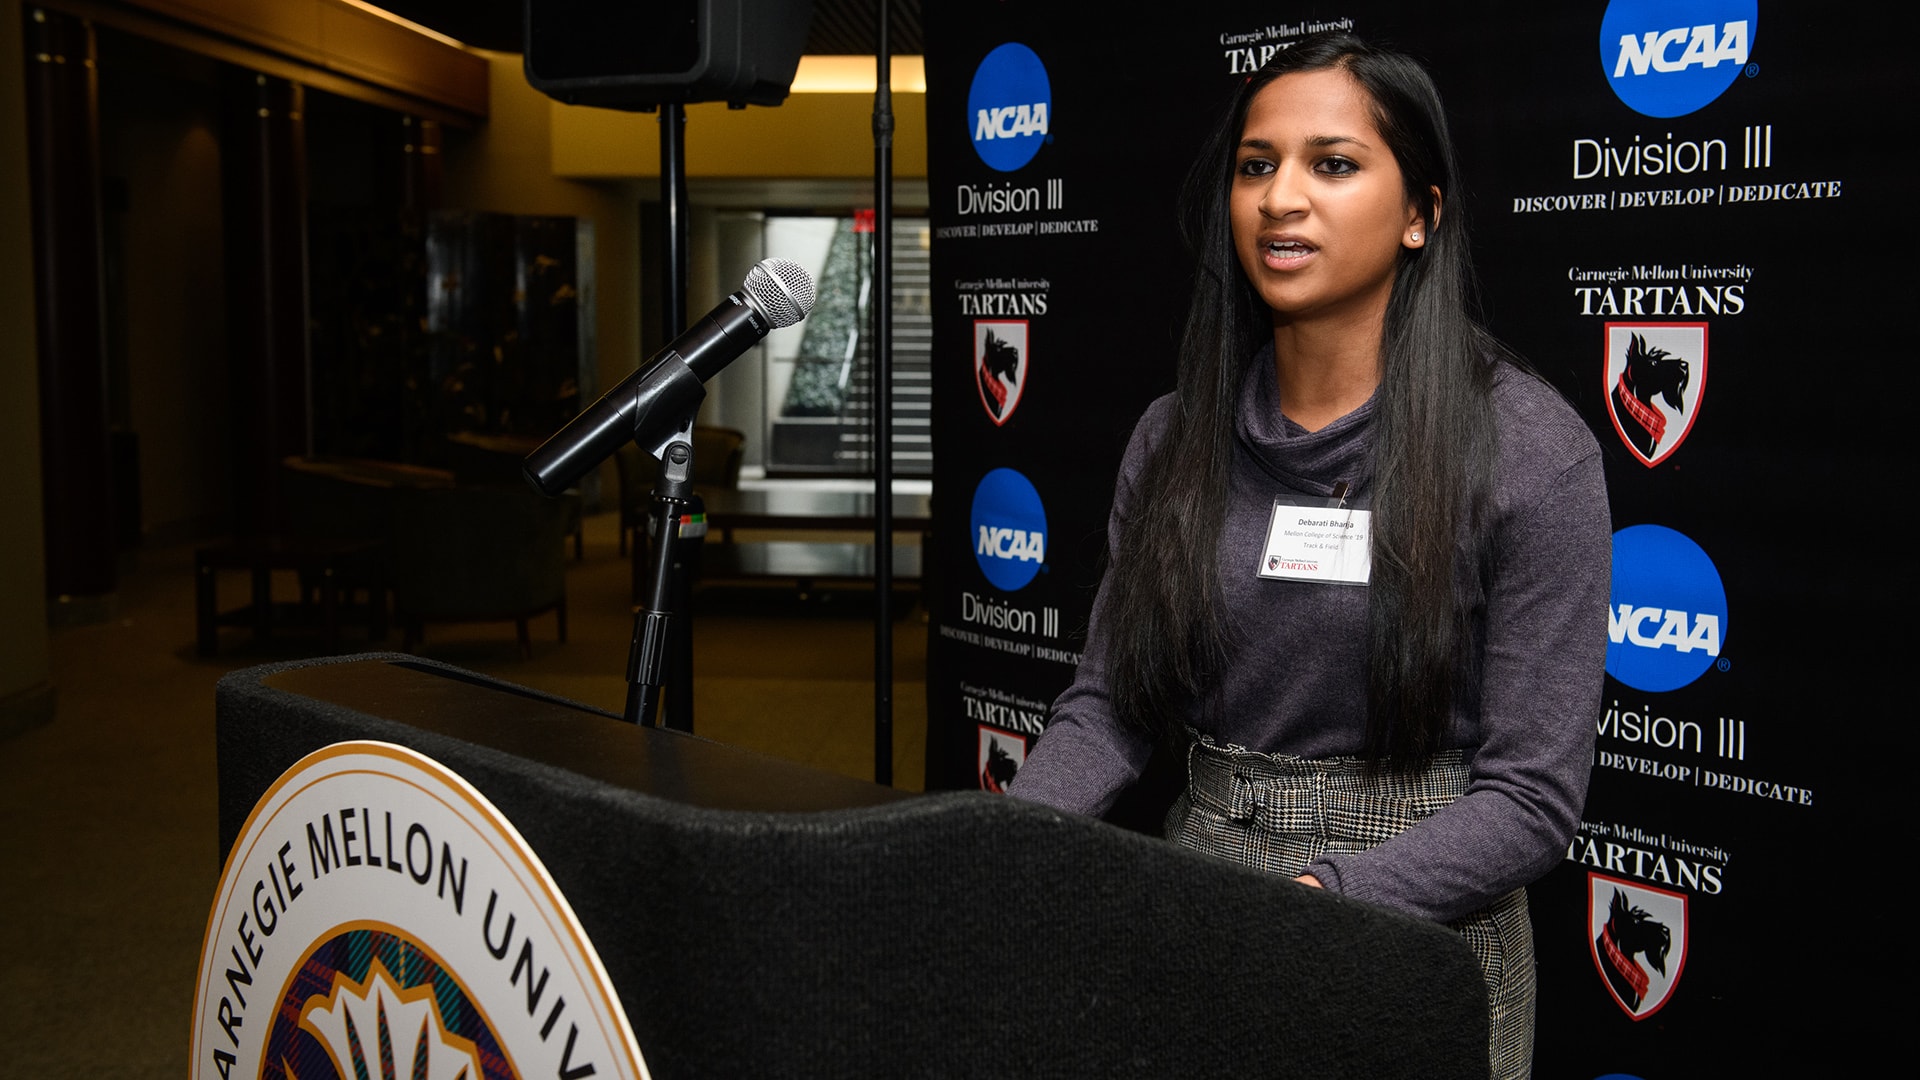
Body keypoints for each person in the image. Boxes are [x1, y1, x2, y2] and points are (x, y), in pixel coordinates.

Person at [1003, 32, 1610, 1080]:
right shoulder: (1171, 437)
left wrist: (1320, 905)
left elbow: (1532, 801)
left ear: (1420, 213)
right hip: (1202, 903)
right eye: (1256, 165)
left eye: (1333, 164)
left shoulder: (1529, 450)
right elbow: (1111, 706)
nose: (1281, 197)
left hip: (1419, 931)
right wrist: (999, 847)